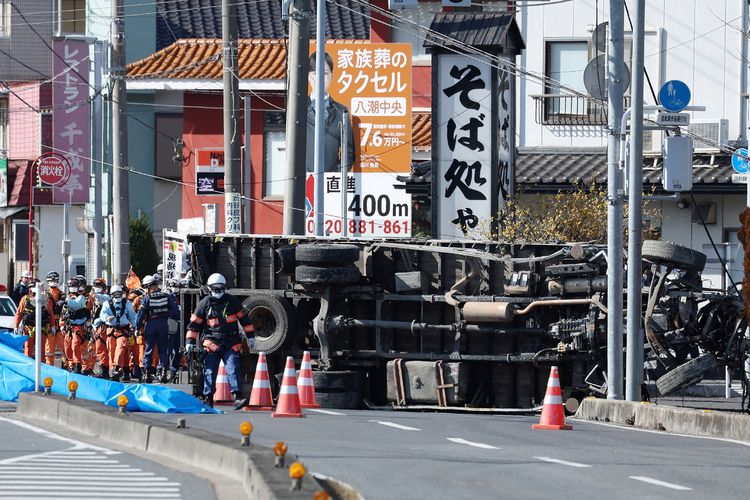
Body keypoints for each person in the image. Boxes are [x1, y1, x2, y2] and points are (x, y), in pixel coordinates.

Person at [185, 273, 254, 409]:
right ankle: (208, 398)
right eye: (215, 288)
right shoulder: (204, 304)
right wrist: (189, 342)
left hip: (231, 342)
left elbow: (245, 320)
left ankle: (237, 397)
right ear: (209, 288)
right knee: (210, 371)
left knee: (233, 368)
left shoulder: (232, 302)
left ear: (224, 287)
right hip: (211, 343)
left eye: (220, 288)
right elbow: (194, 325)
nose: (217, 291)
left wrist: (251, 337)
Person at [306, 51, 355, 174]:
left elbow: (349, 151)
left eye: (325, 73)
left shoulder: (341, 110)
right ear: (308, 76)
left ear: (332, 76)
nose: (320, 78)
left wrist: (337, 173)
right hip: (303, 180)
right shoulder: (299, 109)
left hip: (331, 181)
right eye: (315, 73)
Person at [136, 274, 179, 383]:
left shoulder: (146, 299)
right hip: (164, 325)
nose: (146, 290)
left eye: (147, 287)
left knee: (149, 349)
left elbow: (140, 315)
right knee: (163, 350)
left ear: (150, 286)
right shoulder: (167, 296)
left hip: (150, 325)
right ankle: (163, 371)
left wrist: (138, 327)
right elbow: (175, 312)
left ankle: (147, 373)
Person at [100, 285, 137, 382]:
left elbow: (133, 316)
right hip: (111, 331)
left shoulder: (127, 303)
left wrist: (134, 326)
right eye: (115, 294)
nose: (117, 296)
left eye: (119, 294)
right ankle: (113, 370)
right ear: (111, 295)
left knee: (120, 348)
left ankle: (117, 367)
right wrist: (107, 318)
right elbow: (102, 314)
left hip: (123, 331)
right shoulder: (107, 304)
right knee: (111, 351)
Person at [14, 282, 55, 361]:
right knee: (28, 348)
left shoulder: (45, 299)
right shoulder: (25, 299)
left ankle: (41, 367)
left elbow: (50, 314)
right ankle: (28, 367)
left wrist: (53, 325)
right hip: (28, 328)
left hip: (41, 328)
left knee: (41, 349)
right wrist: (16, 326)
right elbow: (19, 313)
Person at [60, 277, 91, 374]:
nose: (72, 288)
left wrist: (66, 302)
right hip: (68, 326)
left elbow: (76, 305)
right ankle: (71, 364)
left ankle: (78, 365)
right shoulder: (68, 298)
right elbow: (63, 313)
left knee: (75, 345)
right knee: (67, 347)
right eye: (71, 286)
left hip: (78, 327)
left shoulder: (81, 298)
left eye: (74, 286)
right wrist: (61, 325)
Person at [90, 278, 110, 379]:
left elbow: (103, 299)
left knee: (102, 349)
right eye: (95, 286)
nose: (97, 288)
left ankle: (105, 370)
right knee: (98, 349)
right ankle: (102, 369)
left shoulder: (106, 297)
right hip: (96, 327)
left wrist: (95, 295)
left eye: (99, 286)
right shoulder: (93, 299)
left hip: (103, 327)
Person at [45, 271, 65, 366]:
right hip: (49, 324)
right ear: (48, 281)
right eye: (51, 280)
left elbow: (65, 310)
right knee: (49, 348)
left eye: (55, 280)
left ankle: (66, 366)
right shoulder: (44, 295)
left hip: (60, 323)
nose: (53, 281)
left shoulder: (62, 294)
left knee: (63, 347)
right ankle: (49, 367)